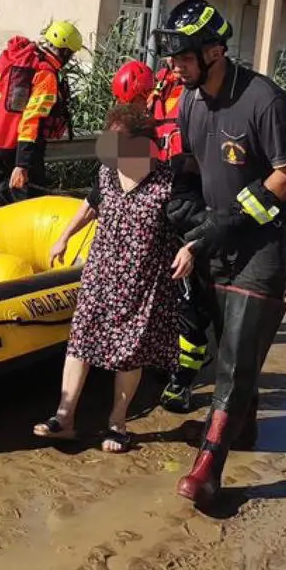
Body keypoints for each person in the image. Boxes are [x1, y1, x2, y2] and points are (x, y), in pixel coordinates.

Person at [153, 0, 286, 508]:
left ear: (215, 52)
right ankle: (244, 428)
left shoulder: (265, 100)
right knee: (229, 345)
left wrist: (235, 217)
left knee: (236, 357)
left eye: (183, 56)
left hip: (263, 241)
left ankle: (208, 466)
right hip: (215, 238)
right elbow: (194, 165)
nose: (173, 66)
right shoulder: (189, 102)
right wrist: (183, 202)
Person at [32, 102, 188, 451]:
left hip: (143, 280)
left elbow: (191, 222)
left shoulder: (168, 182)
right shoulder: (107, 173)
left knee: (130, 351)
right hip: (101, 271)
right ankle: (64, 417)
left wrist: (189, 248)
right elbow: (90, 205)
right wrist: (64, 236)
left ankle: (117, 424)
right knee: (81, 339)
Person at [111, 58, 210, 414]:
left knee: (191, 300)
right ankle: (160, 360)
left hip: (189, 205)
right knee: (165, 295)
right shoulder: (155, 101)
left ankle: (182, 380)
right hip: (163, 208)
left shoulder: (188, 98)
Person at [0, 20, 82, 204]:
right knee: (29, 201)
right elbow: (32, 119)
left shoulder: (15, 56)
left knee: (2, 197)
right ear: (64, 51)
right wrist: (22, 164)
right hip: (15, 146)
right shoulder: (45, 73)